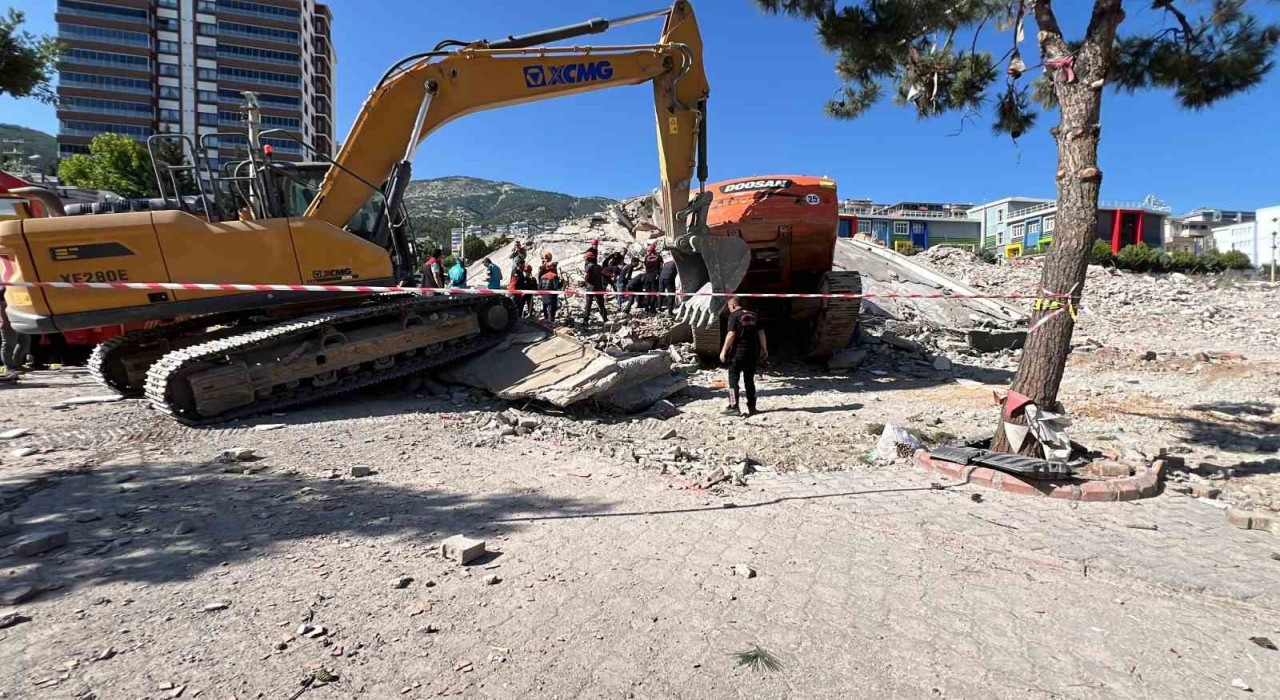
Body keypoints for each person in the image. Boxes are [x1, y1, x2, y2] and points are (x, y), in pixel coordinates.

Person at [719, 296, 768, 417]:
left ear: (733, 306)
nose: (729, 309)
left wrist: (724, 350)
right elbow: (761, 332)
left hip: (738, 353)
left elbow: (731, 334)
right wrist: (764, 348)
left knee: (733, 380)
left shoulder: (734, 316)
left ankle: (733, 406)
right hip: (752, 353)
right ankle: (752, 407)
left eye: (729, 307)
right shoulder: (754, 315)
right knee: (749, 380)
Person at [580, 251, 608, 325]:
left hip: (590, 288)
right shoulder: (598, 266)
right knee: (601, 303)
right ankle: (605, 319)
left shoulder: (589, 266)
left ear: (588, 259)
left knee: (588, 305)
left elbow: (586, 276)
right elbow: (603, 276)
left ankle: (585, 321)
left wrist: (585, 283)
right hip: (599, 287)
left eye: (585, 258)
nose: (585, 259)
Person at [641, 244, 663, 312]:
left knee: (648, 292)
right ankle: (652, 308)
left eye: (648, 251)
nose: (647, 252)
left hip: (647, 276)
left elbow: (645, 265)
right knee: (654, 292)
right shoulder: (659, 257)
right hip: (655, 277)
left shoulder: (646, 257)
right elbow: (662, 266)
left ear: (650, 251)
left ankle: (646, 307)